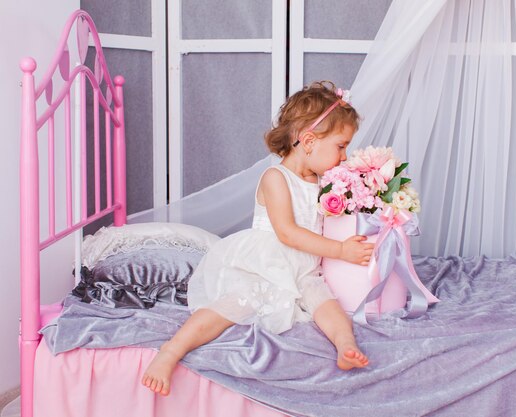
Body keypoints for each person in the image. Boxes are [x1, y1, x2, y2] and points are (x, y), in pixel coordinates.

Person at [142, 81, 373, 396]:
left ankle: (345, 345)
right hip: (268, 263)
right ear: (308, 141)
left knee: (327, 305)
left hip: (303, 268)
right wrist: (340, 251)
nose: (345, 156)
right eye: (341, 146)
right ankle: (170, 350)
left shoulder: (320, 180)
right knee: (229, 308)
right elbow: (288, 233)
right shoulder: (275, 178)